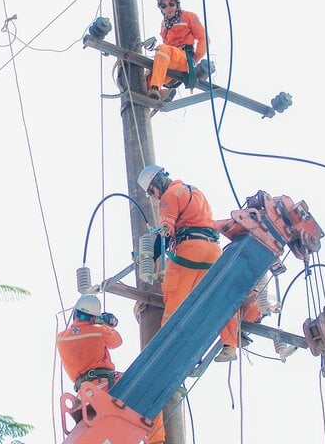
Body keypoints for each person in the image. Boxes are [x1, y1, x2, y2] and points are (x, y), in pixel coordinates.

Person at [137, 164, 242, 362]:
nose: (154, 196)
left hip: (189, 250)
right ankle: (230, 345)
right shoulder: (196, 192)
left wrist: (151, 257)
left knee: (174, 295)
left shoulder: (170, 196)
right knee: (214, 298)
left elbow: (166, 230)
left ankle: (169, 346)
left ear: (158, 181)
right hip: (212, 251)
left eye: (152, 191)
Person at [56, 294, 166, 443]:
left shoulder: (61, 338)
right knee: (148, 391)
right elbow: (117, 341)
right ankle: (156, 440)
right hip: (104, 388)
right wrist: (104, 323)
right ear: (93, 317)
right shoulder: (98, 331)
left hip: (82, 397)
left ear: (75, 314)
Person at [146, 0, 208, 101]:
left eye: (171, 4)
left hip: (184, 57)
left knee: (162, 49)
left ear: (177, 3)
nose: (168, 8)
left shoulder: (189, 16)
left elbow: (204, 38)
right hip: (169, 60)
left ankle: (155, 87)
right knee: (144, 78)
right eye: (164, 6)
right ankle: (160, 95)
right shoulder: (164, 25)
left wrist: (194, 61)